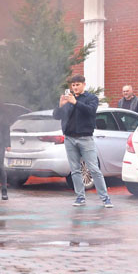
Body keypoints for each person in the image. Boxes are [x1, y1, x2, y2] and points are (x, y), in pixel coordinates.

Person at [54, 74, 113, 208]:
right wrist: (61, 105)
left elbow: (91, 111)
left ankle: (105, 198)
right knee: (75, 170)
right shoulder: (68, 100)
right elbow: (56, 116)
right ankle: (80, 197)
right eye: (73, 85)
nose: (75, 87)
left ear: (84, 85)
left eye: (77, 84)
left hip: (85, 138)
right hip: (69, 138)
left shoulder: (91, 98)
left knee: (94, 169)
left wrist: (76, 102)